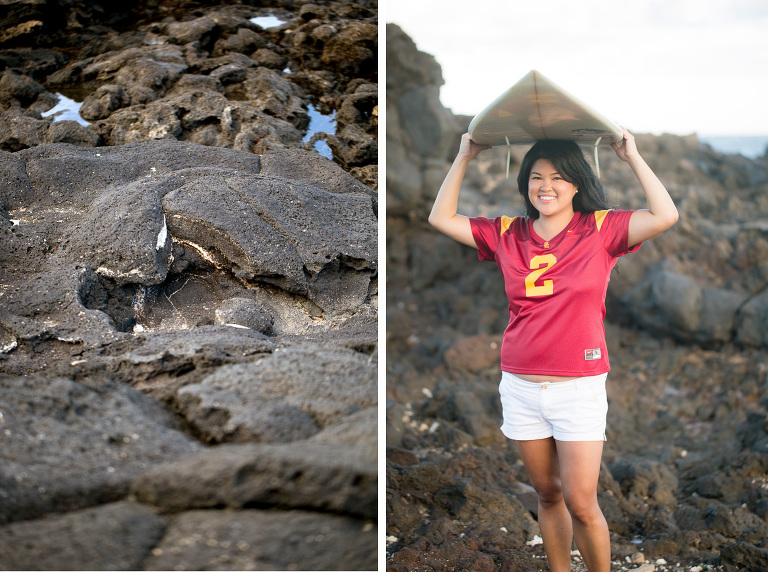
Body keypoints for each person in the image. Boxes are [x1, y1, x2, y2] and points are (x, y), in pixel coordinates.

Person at [428, 128, 678, 572]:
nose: (546, 186)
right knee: (547, 494)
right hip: (521, 386)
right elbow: (441, 219)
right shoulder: (509, 233)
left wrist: (631, 157)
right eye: (536, 177)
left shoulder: (601, 228)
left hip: (578, 388)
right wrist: (463, 156)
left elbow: (664, 215)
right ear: (525, 184)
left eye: (559, 177)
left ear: (577, 183)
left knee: (582, 502)